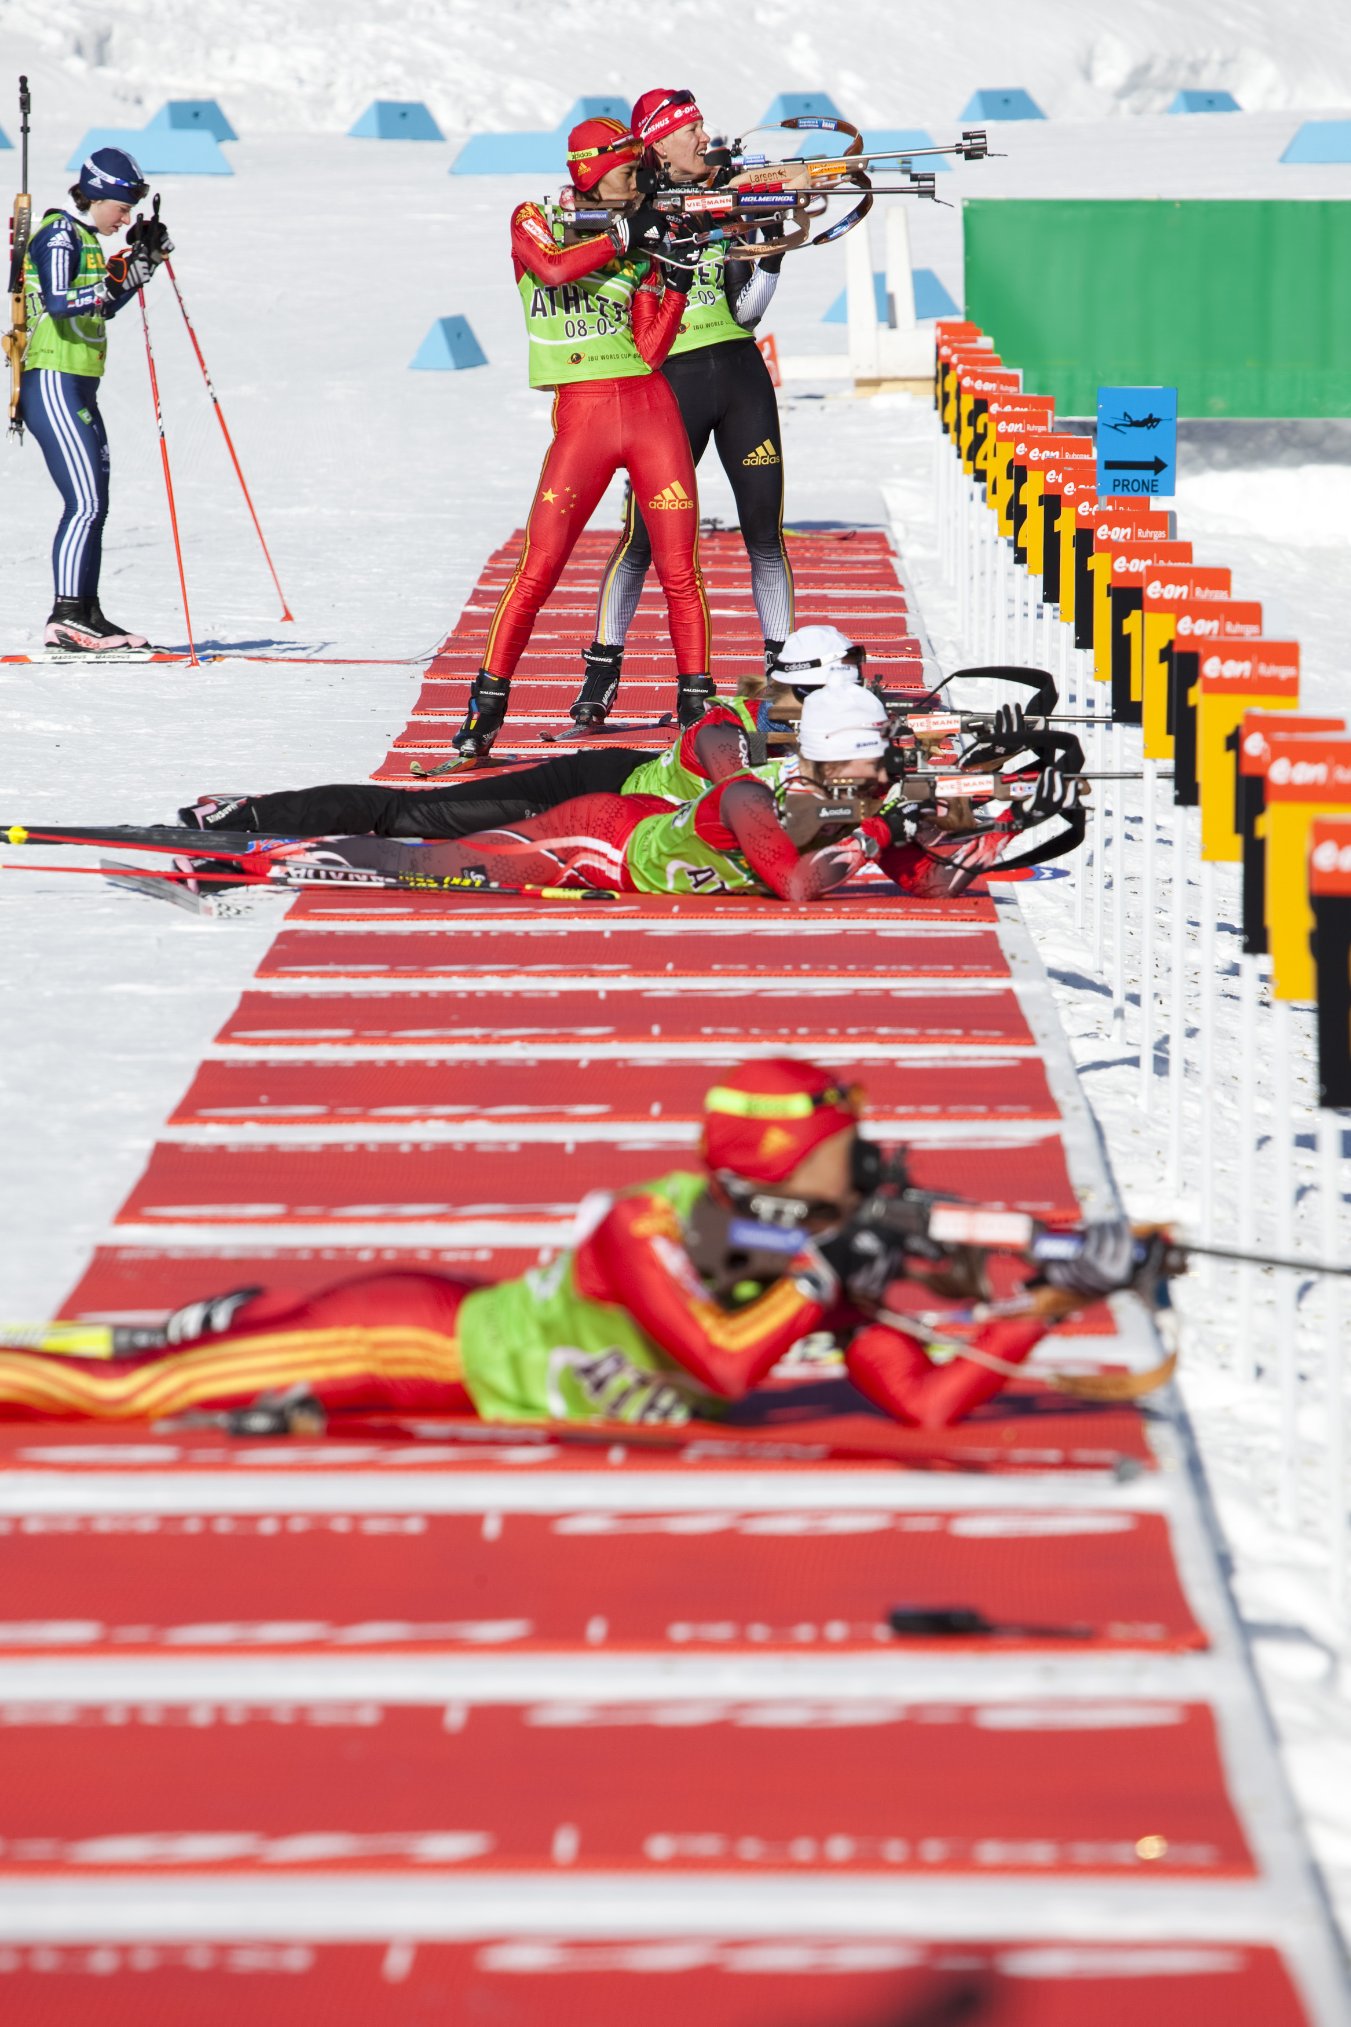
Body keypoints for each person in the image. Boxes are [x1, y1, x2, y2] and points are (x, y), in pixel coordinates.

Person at [0, 1059, 1171, 1431]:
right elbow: (721, 1363)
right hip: (400, 1344)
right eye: (834, 1143)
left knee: (195, 1349)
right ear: (767, 1156)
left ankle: (232, 1316)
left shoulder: (809, 1240)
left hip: (456, 1335)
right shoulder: (651, 1220)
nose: (855, 1162)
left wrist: (1055, 1297)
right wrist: (826, 1280)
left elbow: (915, 1398)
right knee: (128, 1395)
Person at [455, 115, 714, 762]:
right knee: (539, 567)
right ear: (592, 172)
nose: (639, 186)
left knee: (680, 570)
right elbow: (547, 269)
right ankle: (485, 707)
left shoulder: (642, 234)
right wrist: (627, 233)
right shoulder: (535, 215)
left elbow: (651, 350)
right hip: (583, 417)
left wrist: (675, 282)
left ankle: (695, 706)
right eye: (629, 175)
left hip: (650, 410)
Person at [573, 87, 794, 727]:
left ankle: (782, 679)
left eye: (701, 126)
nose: (704, 137)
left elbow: (745, 313)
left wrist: (770, 253)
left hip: (740, 377)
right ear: (661, 141)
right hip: (666, 384)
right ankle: (600, 676)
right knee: (641, 539)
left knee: (764, 533)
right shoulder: (629, 198)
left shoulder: (728, 190)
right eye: (691, 128)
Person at [174, 695, 768, 842]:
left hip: (620, 801)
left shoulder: (792, 727)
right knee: (412, 816)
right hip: (590, 788)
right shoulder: (730, 729)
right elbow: (738, 795)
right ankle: (245, 812)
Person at [19, 148, 173, 653]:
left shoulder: (85, 240)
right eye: (122, 208)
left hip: (80, 383)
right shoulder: (60, 234)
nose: (125, 218)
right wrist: (114, 279)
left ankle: (87, 612)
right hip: (54, 380)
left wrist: (141, 265)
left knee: (95, 504)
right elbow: (64, 303)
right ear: (98, 195)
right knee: (83, 503)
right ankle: (66, 615)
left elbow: (99, 309)